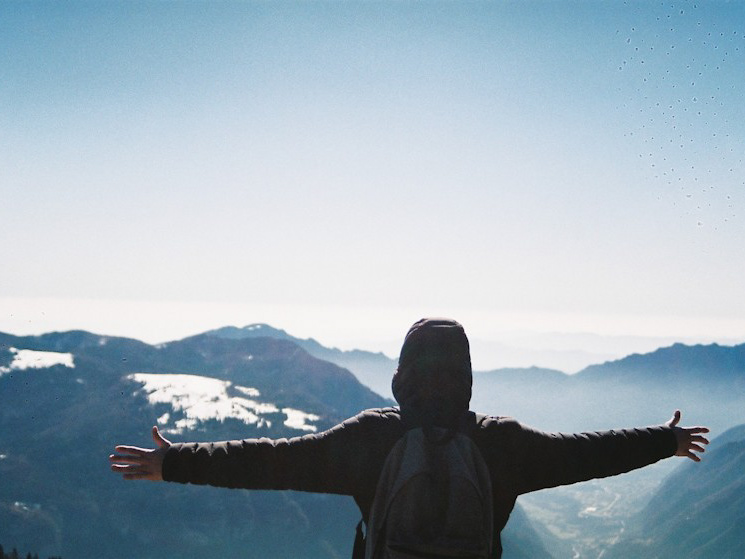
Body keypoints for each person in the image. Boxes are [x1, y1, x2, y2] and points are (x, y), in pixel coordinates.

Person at [110, 318, 709, 558]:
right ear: (467, 381)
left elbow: (271, 462)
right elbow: (589, 453)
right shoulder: (503, 445)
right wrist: (664, 440)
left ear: (401, 380)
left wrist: (175, 461)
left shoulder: (371, 441)